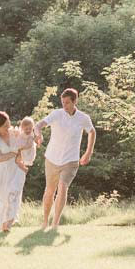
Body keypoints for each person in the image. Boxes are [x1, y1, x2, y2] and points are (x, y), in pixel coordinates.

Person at [37, 88, 96, 230]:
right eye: (63, 102)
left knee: (63, 187)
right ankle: (45, 221)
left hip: (71, 160)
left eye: (68, 102)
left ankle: (55, 223)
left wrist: (88, 152)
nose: (65, 105)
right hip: (52, 158)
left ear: (75, 101)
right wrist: (38, 133)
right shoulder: (57, 114)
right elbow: (39, 124)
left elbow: (92, 132)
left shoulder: (83, 118)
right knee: (50, 190)